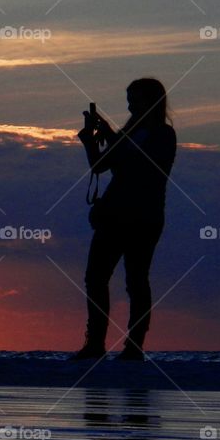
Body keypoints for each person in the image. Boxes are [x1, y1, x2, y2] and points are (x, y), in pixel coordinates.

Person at [74, 79, 176, 361]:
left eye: (136, 99)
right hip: (117, 217)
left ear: (152, 101)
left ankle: (134, 346)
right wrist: (91, 140)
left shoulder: (163, 135)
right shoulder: (131, 133)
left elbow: (139, 167)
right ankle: (95, 343)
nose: (130, 105)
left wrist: (109, 134)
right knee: (96, 278)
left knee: (135, 281)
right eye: (129, 99)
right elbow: (100, 165)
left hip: (142, 218)